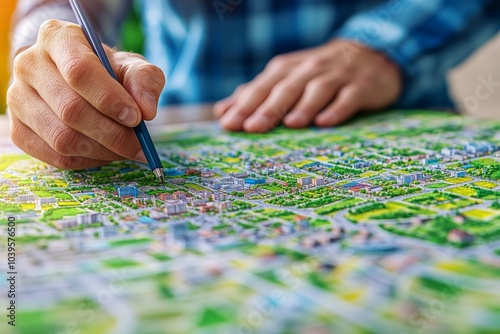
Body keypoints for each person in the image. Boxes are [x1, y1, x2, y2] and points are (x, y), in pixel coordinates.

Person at [7, 0, 500, 169]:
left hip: (397, 121)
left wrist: (383, 46)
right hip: (182, 129)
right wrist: (43, 44)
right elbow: (66, 8)